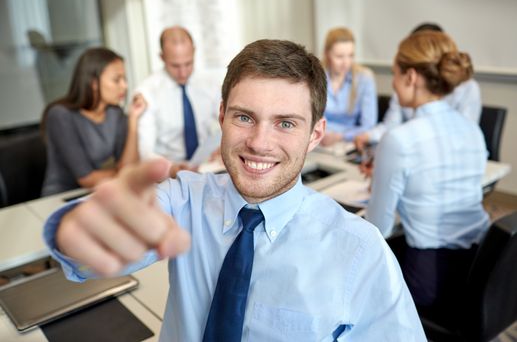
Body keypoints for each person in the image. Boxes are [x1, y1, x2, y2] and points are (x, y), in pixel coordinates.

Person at [43, 40, 426, 341]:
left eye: (286, 123)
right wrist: (79, 232)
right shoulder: (184, 199)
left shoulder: (361, 251)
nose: (260, 142)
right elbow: (107, 235)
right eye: (245, 117)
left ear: (316, 135)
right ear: (222, 116)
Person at [365, 31, 490, 318]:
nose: (394, 85)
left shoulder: (400, 140)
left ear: (410, 76)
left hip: (429, 281)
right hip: (479, 268)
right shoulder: (472, 129)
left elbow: (377, 230)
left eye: (395, 74)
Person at [354, 23, 482, 151]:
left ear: (411, 76)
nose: (393, 83)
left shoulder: (468, 90)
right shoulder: (403, 88)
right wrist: (369, 136)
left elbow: (461, 139)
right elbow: (391, 124)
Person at [41, 47, 147, 196]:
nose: (125, 86)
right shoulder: (60, 115)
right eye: (117, 80)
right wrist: (124, 173)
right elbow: (87, 179)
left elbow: (131, 167)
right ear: (93, 83)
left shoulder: (114, 113)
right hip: (61, 198)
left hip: (99, 193)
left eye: (125, 79)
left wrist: (133, 119)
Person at [135, 26, 220, 177]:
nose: (183, 72)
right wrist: (170, 168)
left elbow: (228, 122)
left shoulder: (211, 84)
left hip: (207, 168)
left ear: (194, 51)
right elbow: (144, 151)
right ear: (162, 57)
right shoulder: (147, 91)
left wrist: (225, 148)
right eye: (175, 66)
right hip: (168, 173)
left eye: (188, 64)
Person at [320, 27, 377, 145]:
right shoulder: (316, 76)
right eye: (339, 56)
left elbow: (369, 125)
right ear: (327, 54)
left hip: (349, 142)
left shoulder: (364, 78)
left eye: (351, 56)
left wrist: (340, 136)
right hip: (319, 140)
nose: (346, 62)